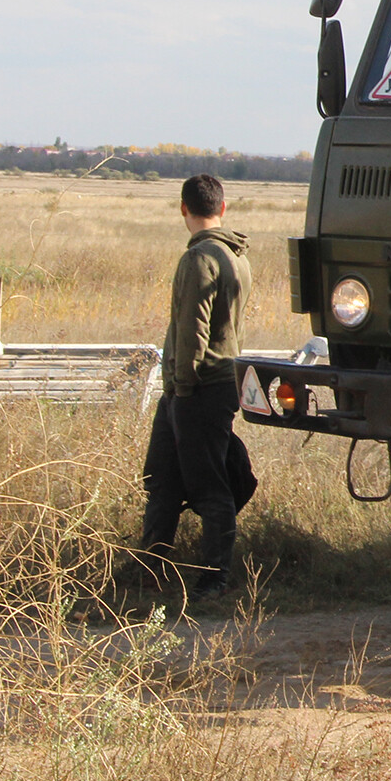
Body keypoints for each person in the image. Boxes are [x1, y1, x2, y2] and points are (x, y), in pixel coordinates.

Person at [139, 174, 253, 599]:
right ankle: (151, 570)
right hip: (214, 382)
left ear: (183, 208)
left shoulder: (199, 259)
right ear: (221, 208)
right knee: (162, 479)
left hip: (196, 385)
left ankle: (213, 579)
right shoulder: (235, 256)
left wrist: (181, 388)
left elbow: (193, 330)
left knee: (209, 486)